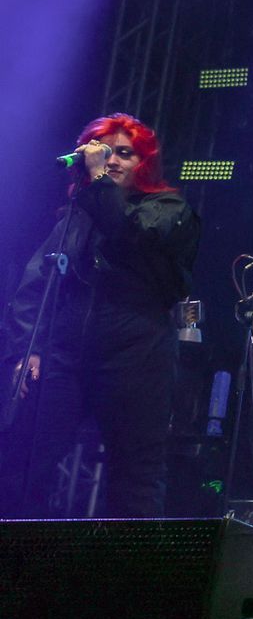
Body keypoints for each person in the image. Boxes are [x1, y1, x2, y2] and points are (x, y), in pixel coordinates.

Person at [2, 114, 200, 517]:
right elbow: (34, 286)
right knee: (23, 459)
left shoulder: (167, 208)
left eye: (123, 153)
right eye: (102, 152)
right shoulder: (75, 217)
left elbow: (131, 237)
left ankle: (124, 574)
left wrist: (97, 184)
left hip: (136, 357)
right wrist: (28, 350)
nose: (110, 161)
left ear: (142, 162)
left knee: (134, 478)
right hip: (67, 355)